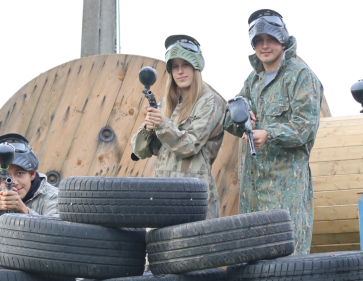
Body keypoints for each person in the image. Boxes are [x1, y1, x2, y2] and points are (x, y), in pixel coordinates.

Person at [224, 9, 324, 255]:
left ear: (283, 40)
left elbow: (305, 128)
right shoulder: (253, 80)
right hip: (253, 189)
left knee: (289, 259)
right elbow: (228, 119)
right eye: (258, 41)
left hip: (285, 189)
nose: (264, 46)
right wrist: (241, 117)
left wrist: (269, 134)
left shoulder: (301, 77)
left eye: (270, 39)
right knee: (254, 259)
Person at [131, 35, 226, 219]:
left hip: (194, 199)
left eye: (186, 65)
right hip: (162, 196)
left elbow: (190, 145)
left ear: (196, 67)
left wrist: (161, 124)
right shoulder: (166, 103)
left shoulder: (210, 102)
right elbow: (139, 151)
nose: (180, 71)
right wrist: (148, 129)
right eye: (175, 66)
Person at [0, 134, 59, 216]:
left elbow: (56, 230)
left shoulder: (53, 197)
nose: (13, 182)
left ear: (32, 174)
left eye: (19, 173)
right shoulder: (0, 193)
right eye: (5, 176)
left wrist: (24, 210)